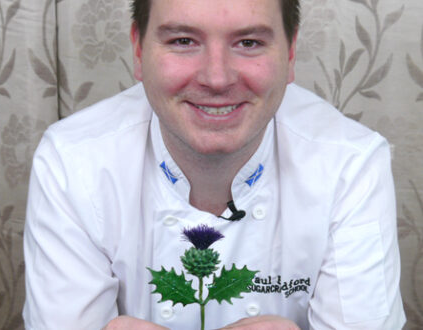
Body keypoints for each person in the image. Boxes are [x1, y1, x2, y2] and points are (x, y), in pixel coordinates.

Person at [23, 0, 406, 329]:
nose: (217, 78)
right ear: (138, 51)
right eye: (183, 41)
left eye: (249, 42)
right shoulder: (72, 164)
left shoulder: (352, 167)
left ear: (290, 54)